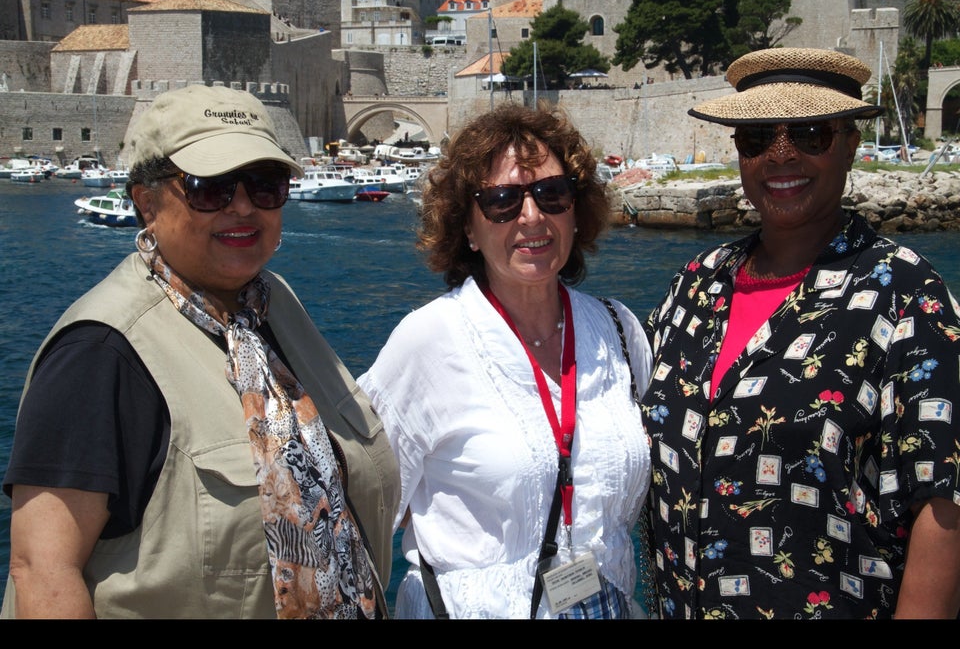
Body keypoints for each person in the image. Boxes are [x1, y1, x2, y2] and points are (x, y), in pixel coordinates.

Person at [1, 84, 400, 619]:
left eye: (264, 185)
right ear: (146, 202)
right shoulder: (100, 354)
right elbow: (42, 572)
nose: (242, 207)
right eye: (209, 188)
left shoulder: (273, 306)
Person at [641, 47, 960, 619]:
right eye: (757, 138)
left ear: (850, 145)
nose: (780, 156)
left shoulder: (905, 292)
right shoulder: (694, 287)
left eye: (810, 134)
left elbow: (944, 502)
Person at [356, 102, 655, 619]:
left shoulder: (620, 332)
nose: (532, 216)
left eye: (552, 194)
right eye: (501, 201)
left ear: (576, 210)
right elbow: (366, 518)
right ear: (468, 228)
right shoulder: (427, 343)